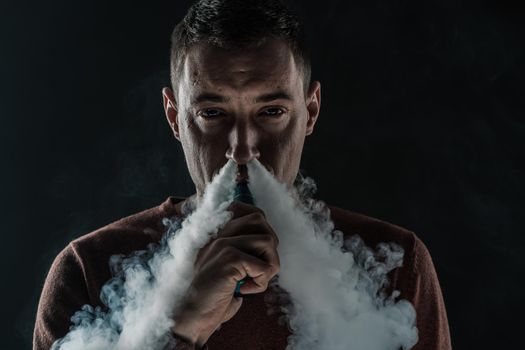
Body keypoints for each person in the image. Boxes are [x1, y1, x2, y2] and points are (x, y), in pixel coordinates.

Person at [33, 0, 451, 349]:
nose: (243, 149)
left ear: (310, 111)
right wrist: (184, 325)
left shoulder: (396, 263)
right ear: (175, 118)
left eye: (271, 112)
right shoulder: (88, 268)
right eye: (212, 113)